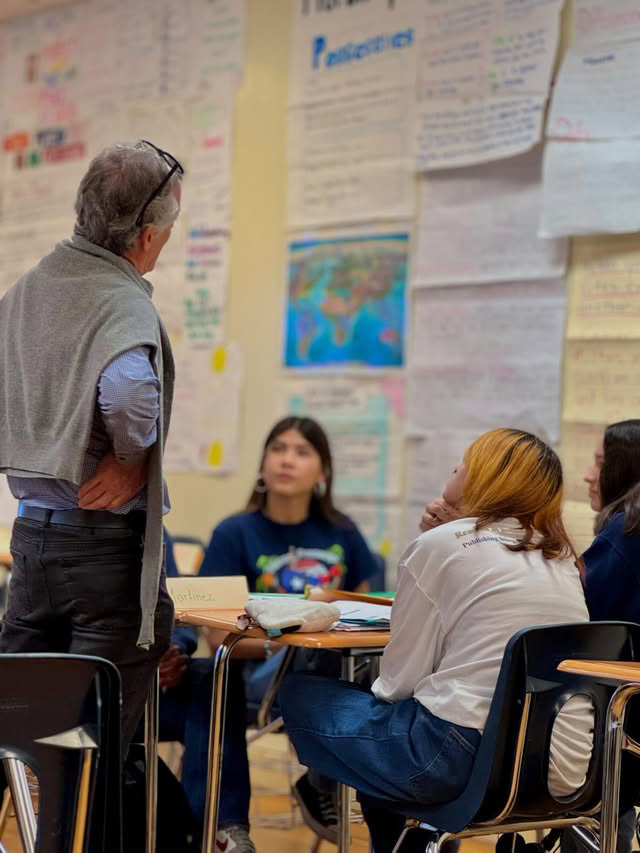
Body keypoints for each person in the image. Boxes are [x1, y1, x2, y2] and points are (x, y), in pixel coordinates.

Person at [279, 428, 594, 853]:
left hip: (460, 764)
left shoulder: (441, 544)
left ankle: (371, 818)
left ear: (485, 479)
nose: (455, 468)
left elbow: (397, 682)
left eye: (465, 463)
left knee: (303, 693)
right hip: (562, 774)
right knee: (386, 751)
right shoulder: (561, 557)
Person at [0, 140, 182, 758]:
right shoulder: (120, 298)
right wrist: (130, 460)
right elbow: (130, 395)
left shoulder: (28, 289)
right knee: (88, 750)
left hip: (31, 545)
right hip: (103, 551)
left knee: (20, 733)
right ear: (148, 236)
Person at [161, 415, 378, 853]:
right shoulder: (235, 532)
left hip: (337, 669)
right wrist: (289, 638)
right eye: (278, 449)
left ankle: (327, 779)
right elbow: (218, 638)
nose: (286, 460)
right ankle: (318, 776)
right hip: (261, 672)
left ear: (323, 472)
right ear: (262, 465)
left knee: (365, 662)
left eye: (302, 452)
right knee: (312, 647)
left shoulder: (344, 533)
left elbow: (366, 613)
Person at [578, 419, 640, 853]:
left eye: (600, 462)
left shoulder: (625, 534)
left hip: (624, 720)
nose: (587, 474)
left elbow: (578, 623)